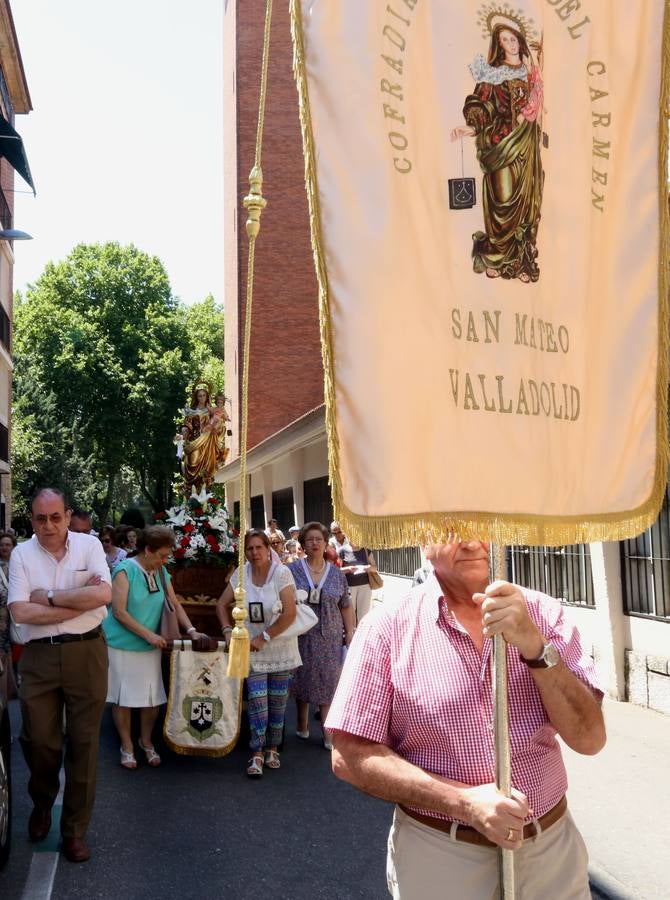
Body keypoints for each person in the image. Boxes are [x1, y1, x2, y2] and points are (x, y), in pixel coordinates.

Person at [327, 538, 606, 899]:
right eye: (454, 528)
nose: (474, 541)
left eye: (483, 525)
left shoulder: (542, 613)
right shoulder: (386, 628)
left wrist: (535, 647)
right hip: (441, 854)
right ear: (425, 544)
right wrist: (463, 803)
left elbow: (590, 739)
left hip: (549, 849)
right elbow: (348, 756)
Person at [8, 488, 112, 863]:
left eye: (55, 517)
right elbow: (21, 612)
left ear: (68, 516)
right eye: (40, 518)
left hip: (88, 652)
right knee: (39, 741)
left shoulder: (89, 547)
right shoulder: (21, 554)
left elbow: (103, 596)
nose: (48, 525)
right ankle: (42, 803)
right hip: (39, 658)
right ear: (31, 520)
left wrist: (49, 597)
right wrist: (76, 600)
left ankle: (73, 830)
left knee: (84, 745)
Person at [103, 525, 207, 770]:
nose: (164, 560)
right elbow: (118, 612)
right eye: (161, 555)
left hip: (151, 645)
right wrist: (148, 635)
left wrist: (191, 630)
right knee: (123, 698)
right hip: (122, 645)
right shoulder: (124, 570)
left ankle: (146, 740)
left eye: (167, 556)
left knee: (152, 698)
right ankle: (127, 744)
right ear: (147, 550)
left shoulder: (161, 571)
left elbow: (174, 602)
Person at [451, 23, 544, 283]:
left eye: (513, 38)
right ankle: (497, 257)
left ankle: (520, 263)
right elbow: (483, 103)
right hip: (501, 144)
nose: (511, 43)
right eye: (505, 39)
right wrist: (471, 126)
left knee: (526, 203)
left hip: (526, 144)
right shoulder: (492, 74)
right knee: (503, 200)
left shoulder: (531, 71)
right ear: (498, 45)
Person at [217, 529, 300, 777]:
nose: (254, 553)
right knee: (257, 702)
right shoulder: (241, 574)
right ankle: (256, 752)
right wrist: (226, 631)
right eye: (250, 549)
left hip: (279, 647)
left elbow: (290, 613)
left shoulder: (281, 573)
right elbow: (221, 604)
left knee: (277, 703)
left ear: (268, 549)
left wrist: (265, 637)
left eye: (258, 548)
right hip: (252, 651)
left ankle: (273, 747)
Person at [289, 522, 354, 750]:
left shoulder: (336, 573)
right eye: (309, 539)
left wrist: (350, 636)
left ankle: (328, 736)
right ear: (303, 544)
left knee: (328, 684)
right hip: (301, 635)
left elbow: (345, 605)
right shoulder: (293, 570)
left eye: (319, 539)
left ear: (326, 543)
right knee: (302, 680)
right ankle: (302, 722)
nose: (314, 543)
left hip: (330, 635)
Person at [181, 383, 226, 494]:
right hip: (195, 441)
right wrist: (185, 430)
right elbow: (187, 424)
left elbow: (219, 424)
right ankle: (191, 492)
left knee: (207, 469)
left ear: (207, 397)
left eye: (204, 395)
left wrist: (218, 425)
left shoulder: (212, 411)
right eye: (199, 396)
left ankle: (206, 493)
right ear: (196, 397)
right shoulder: (192, 411)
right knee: (192, 462)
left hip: (208, 443)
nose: (202, 398)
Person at [338, 543, 379, 624]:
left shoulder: (366, 550)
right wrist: (348, 569)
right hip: (348, 587)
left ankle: (362, 633)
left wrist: (367, 568)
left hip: (365, 587)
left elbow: (375, 568)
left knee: (364, 615)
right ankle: (351, 634)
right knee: (349, 615)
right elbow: (337, 570)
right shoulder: (342, 551)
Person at [0, 531, 16, 656]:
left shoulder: (20, 564)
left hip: (17, 609)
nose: (4, 547)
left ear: (13, 546)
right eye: (2, 545)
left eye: (7, 545)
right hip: (2, 612)